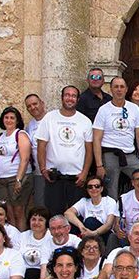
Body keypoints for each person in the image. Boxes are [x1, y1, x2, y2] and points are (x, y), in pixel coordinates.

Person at [36, 86, 93, 217]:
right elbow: (41, 146)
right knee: (54, 215)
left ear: (78, 99)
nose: (70, 98)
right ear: (62, 98)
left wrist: (84, 173)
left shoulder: (85, 121)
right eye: (67, 95)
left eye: (73, 96)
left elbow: (89, 151)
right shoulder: (49, 118)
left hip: (76, 178)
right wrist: (43, 169)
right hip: (54, 177)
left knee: (75, 216)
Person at [93, 77, 139, 199]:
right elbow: (96, 139)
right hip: (110, 154)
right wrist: (99, 165)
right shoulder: (104, 110)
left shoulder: (134, 108)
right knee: (111, 192)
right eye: (116, 87)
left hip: (129, 155)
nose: (119, 90)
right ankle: (113, 218)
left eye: (122, 87)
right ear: (111, 89)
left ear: (126, 90)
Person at [0, 106, 33, 231]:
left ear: (17, 120)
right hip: (1, 180)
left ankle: (21, 239)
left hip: (16, 178)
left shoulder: (20, 134)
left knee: (19, 211)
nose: (9, 120)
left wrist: (18, 180)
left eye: (12, 118)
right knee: (8, 213)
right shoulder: (0, 137)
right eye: (6, 117)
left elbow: (25, 158)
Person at [65, 176, 119, 249]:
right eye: (90, 187)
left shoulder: (109, 201)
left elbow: (108, 224)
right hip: (87, 233)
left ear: (102, 188)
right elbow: (68, 213)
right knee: (72, 223)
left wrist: (94, 233)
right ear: (87, 189)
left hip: (104, 234)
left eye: (97, 186)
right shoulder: (84, 201)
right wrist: (81, 226)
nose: (93, 189)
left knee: (89, 221)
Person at [39, 215, 81, 279]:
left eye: (59, 227)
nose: (56, 232)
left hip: (73, 278)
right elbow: (44, 269)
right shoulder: (46, 244)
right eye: (53, 228)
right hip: (52, 278)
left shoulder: (76, 242)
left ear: (68, 228)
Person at [17, 206, 52, 279]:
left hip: (43, 273)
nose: (36, 223)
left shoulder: (51, 237)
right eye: (33, 219)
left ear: (46, 222)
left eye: (40, 220)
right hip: (23, 273)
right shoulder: (23, 236)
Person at [24, 93, 47, 207]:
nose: (33, 107)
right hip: (38, 172)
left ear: (42, 103)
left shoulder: (52, 119)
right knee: (40, 204)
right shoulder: (30, 126)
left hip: (54, 171)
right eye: (29, 106)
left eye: (35, 104)